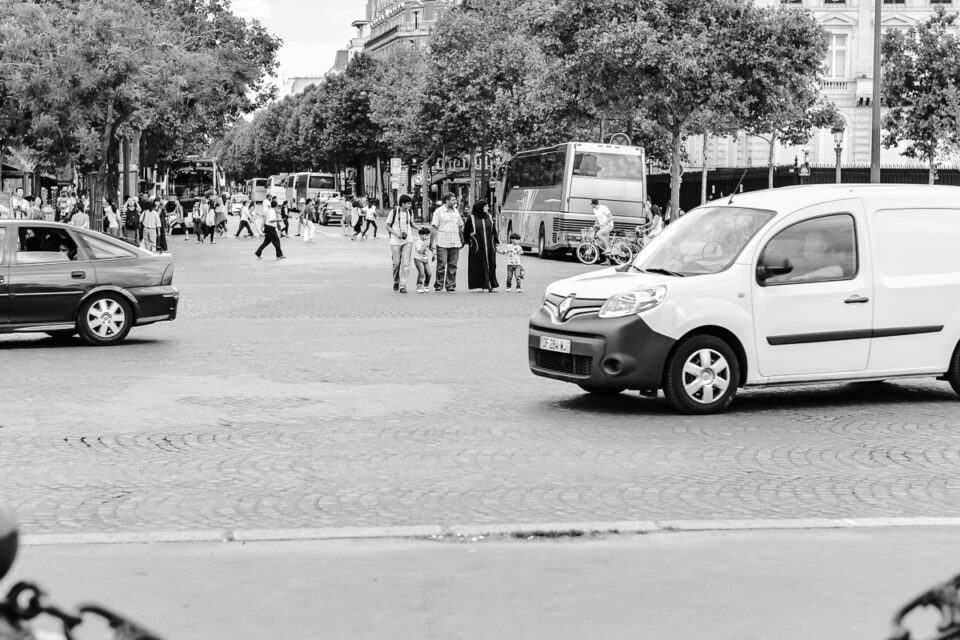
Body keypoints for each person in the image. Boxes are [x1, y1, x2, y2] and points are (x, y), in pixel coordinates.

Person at [430, 192, 464, 292]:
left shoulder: (456, 211)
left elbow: (460, 226)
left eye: (455, 200)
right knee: (441, 264)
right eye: (453, 200)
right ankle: (439, 285)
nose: (455, 201)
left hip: (455, 242)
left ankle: (450, 285)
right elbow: (434, 227)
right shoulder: (438, 211)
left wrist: (462, 239)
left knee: (453, 265)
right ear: (447, 200)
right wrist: (431, 242)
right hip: (442, 242)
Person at [462, 200, 499, 292]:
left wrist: (496, 243)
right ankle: (482, 285)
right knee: (479, 265)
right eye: (486, 206)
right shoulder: (472, 218)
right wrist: (467, 242)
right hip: (477, 247)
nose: (488, 208)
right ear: (480, 207)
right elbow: (466, 232)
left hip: (490, 246)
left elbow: (493, 231)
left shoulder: (490, 217)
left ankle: (491, 285)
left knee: (492, 264)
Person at [387, 194, 417, 293]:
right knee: (396, 263)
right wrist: (397, 234)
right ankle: (396, 281)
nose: (410, 205)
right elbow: (387, 226)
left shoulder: (410, 212)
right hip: (395, 241)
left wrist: (420, 228)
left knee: (406, 264)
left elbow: (411, 224)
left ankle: (403, 285)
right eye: (408, 203)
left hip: (408, 240)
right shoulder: (394, 212)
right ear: (402, 203)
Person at [413, 227, 434, 293]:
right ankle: (419, 287)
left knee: (429, 273)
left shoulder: (427, 241)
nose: (428, 237)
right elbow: (420, 251)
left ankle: (426, 285)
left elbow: (431, 248)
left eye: (428, 235)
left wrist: (434, 253)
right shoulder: (418, 242)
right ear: (421, 235)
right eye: (426, 235)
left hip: (425, 260)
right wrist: (425, 244)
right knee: (421, 273)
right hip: (418, 259)